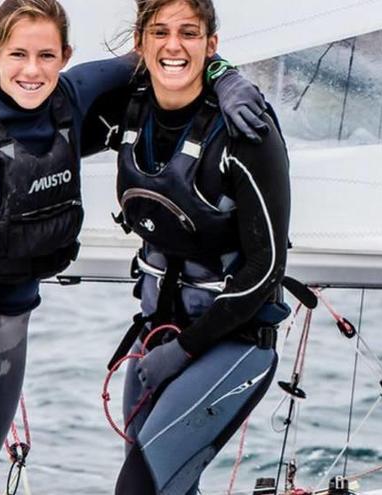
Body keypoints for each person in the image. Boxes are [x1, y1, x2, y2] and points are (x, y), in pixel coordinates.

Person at [0, 1, 268, 494]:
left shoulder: (73, 96)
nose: (33, 70)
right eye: (19, 55)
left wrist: (228, 79)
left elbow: (169, 53)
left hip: (11, 329)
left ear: (66, 55)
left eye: (47, 56)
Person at [81, 0, 293, 492]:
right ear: (141, 43)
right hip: (156, 339)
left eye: (189, 33)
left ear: (210, 44)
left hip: (229, 345)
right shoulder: (129, 111)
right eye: (159, 32)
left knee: (141, 488)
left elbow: (266, 268)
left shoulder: (245, 131)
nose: (173, 45)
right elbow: (40, 115)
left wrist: (185, 351)